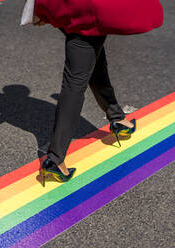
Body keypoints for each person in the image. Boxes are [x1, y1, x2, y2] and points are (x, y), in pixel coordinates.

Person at [34, 22, 137, 186]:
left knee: (93, 60)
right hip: (90, 13)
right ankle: (55, 158)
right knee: (75, 81)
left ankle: (117, 117)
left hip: (72, 11)